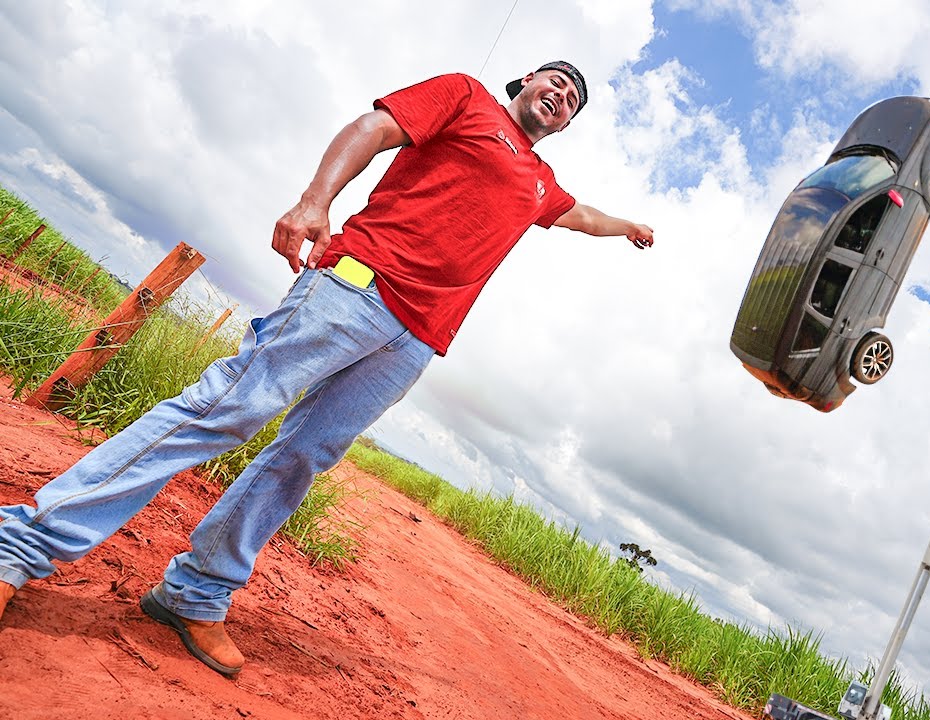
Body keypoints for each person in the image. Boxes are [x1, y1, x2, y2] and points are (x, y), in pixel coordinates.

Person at [0, 60, 653, 677]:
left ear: (567, 124)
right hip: (356, 286)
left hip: (415, 340)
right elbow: (373, 127)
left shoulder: (541, 183)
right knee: (231, 406)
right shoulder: (467, 95)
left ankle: (194, 595)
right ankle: (20, 546)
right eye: (557, 80)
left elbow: (583, 216)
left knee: (303, 457)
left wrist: (628, 227)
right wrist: (315, 199)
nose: (563, 94)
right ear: (526, 81)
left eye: (574, 99)